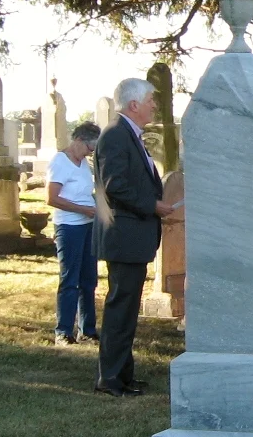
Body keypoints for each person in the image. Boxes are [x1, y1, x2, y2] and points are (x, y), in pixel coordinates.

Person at [93, 78, 176, 397]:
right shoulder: (115, 134)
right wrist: (152, 206)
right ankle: (110, 379)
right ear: (133, 105)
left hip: (133, 236)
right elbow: (115, 185)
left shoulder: (129, 134)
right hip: (124, 235)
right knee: (120, 309)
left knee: (127, 310)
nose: (155, 104)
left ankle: (123, 374)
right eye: (151, 100)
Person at [47, 122, 101, 346]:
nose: (91, 153)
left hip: (88, 225)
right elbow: (52, 198)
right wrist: (83, 209)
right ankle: (63, 331)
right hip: (69, 227)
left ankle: (87, 329)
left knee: (89, 280)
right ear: (79, 140)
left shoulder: (83, 164)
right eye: (90, 148)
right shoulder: (60, 162)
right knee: (70, 279)